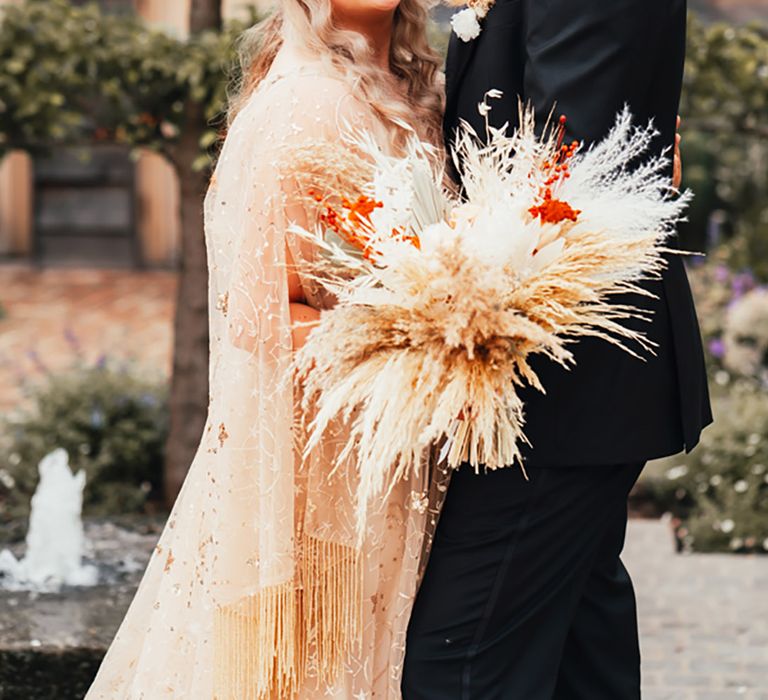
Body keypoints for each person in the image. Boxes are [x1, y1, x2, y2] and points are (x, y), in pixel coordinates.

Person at [84, 2, 447, 698]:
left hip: (395, 451)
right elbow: (258, 313)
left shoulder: (416, 88)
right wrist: (421, 352)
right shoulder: (304, 103)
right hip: (320, 465)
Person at [402, 1, 712, 698]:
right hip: (567, 384)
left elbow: (568, 187)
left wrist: (432, 306)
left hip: (557, 375)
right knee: (578, 655)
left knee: (456, 669)